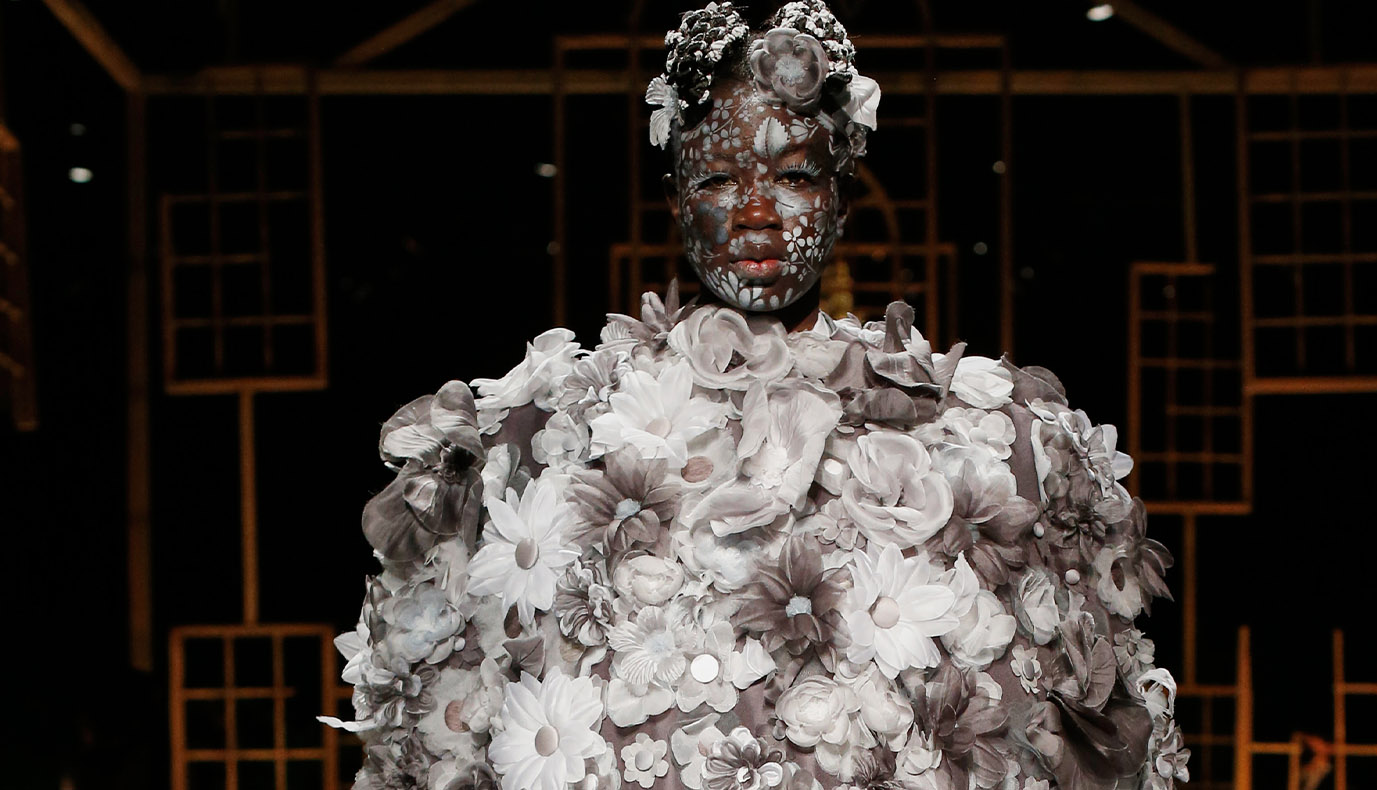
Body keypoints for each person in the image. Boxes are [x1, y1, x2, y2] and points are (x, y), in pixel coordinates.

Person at [323, 3, 1189, 790]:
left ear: (841, 198)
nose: (756, 214)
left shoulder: (987, 437)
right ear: (675, 200)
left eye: (795, 177)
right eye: (716, 181)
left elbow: (1072, 733)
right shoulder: (548, 431)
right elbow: (450, 734)